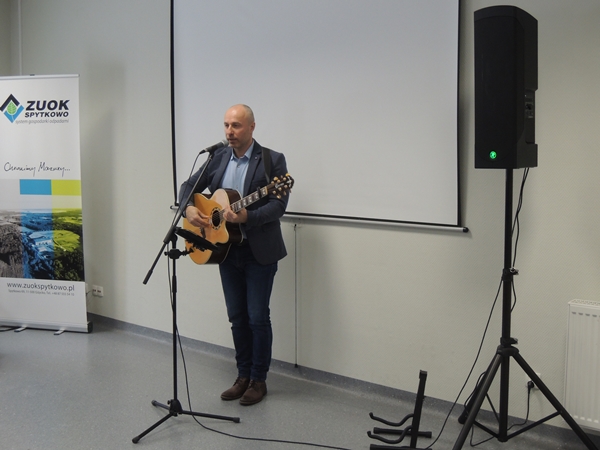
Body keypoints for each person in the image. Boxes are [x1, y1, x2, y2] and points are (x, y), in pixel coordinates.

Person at [178, 104, 290, 406]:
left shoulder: (272, 161)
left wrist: (246, 217)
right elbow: (188, 186)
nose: (230, 131)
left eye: (236, 126)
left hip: (259, 252)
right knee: (237, 317)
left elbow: (278, 206)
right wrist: (189, 209)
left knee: (257, 317)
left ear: (252, 127)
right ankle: (242, 376)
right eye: (227, 125)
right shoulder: (217, 157)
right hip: (225, 250)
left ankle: (258, 380)